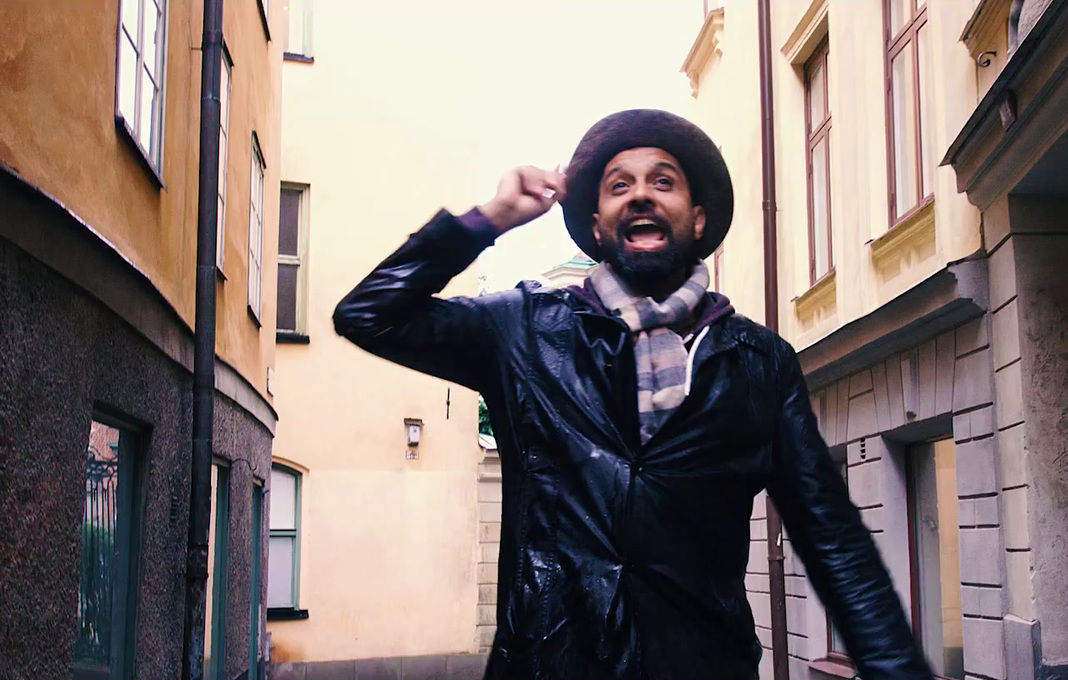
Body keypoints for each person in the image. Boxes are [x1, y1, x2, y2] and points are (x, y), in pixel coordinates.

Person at [335, 109, 930, 680]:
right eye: (619, 185)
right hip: (550, 664)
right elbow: (368, 315)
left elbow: (832, 539)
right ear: (597, 226)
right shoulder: (524, 329)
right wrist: (487, 220)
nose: (640, 195)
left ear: (697, 219)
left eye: (662, 181)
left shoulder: (759, 362)